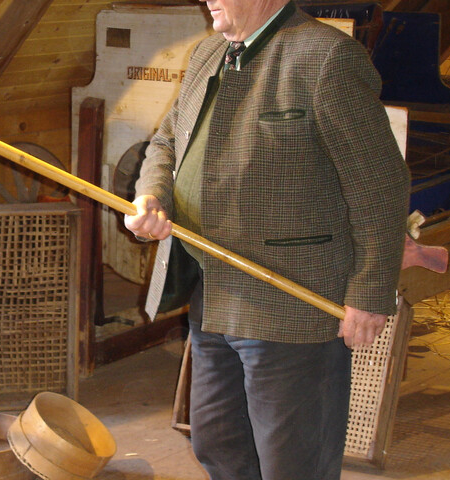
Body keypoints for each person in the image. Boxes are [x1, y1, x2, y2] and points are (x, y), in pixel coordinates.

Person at [124, 1, 410, 479]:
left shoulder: (326, 59)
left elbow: (380, 185)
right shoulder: (208, 53)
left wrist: (369, 292)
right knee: (218, 442)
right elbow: (167, 141)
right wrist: (153, 195)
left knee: (292, 462)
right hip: (213, 293)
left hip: (292, 304)